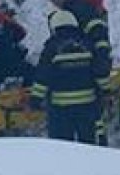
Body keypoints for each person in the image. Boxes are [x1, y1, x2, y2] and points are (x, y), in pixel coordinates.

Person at [46, 0, 112, 144]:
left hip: (91, 61)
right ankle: (99, 142)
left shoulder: (78, 9)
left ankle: (100, 144)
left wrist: (98, 60)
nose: (55, 4)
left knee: (94, 107)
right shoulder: (79, 7)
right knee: (93, 107)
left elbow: (95, 36)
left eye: (54, 0)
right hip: (92, 60)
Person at [30, 10, 101, 144]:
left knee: (62, 146)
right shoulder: (87, 44)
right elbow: (98, 69)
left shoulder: (52, 46)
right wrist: (105, 90)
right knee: (88, 144)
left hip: (61, 108)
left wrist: (36, 99)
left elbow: (43, 76)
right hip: (87, 105)